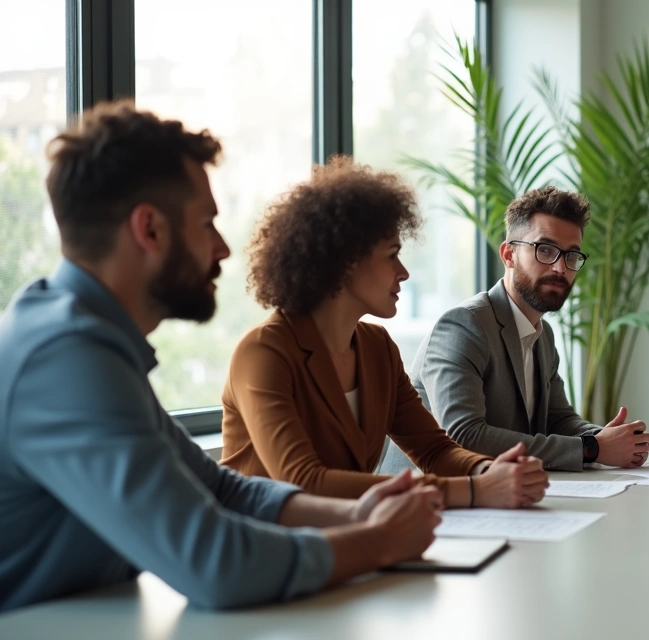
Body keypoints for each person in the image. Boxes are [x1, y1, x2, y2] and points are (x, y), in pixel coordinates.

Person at [0, 102, 441, 613]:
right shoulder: (64, 360)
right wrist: (380, 541)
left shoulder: (88, 341)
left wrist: (357, 514)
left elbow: (222, 490)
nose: (224, 248)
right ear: (150, 230)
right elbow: (216, 564)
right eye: (207, 223)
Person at [220, 158, 548, 508]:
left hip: (347, 533)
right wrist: (473, 489)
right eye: (392, 255)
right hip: (260, 537)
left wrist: (490, 470)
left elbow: (434, 450)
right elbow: (304, 482)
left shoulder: (377, 348)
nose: (403, 272)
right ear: (345, 262)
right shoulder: (264, 352)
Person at [411, 186, 649, 472]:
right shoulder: (463, 326)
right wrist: (592, 449)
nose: (561, 268)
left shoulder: (543, 334)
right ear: (508, 255)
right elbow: (463, 436)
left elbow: (558, 419)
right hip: (425, 494)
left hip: (502, 490)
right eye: (545, 250)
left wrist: (607, 438)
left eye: (571, 255)